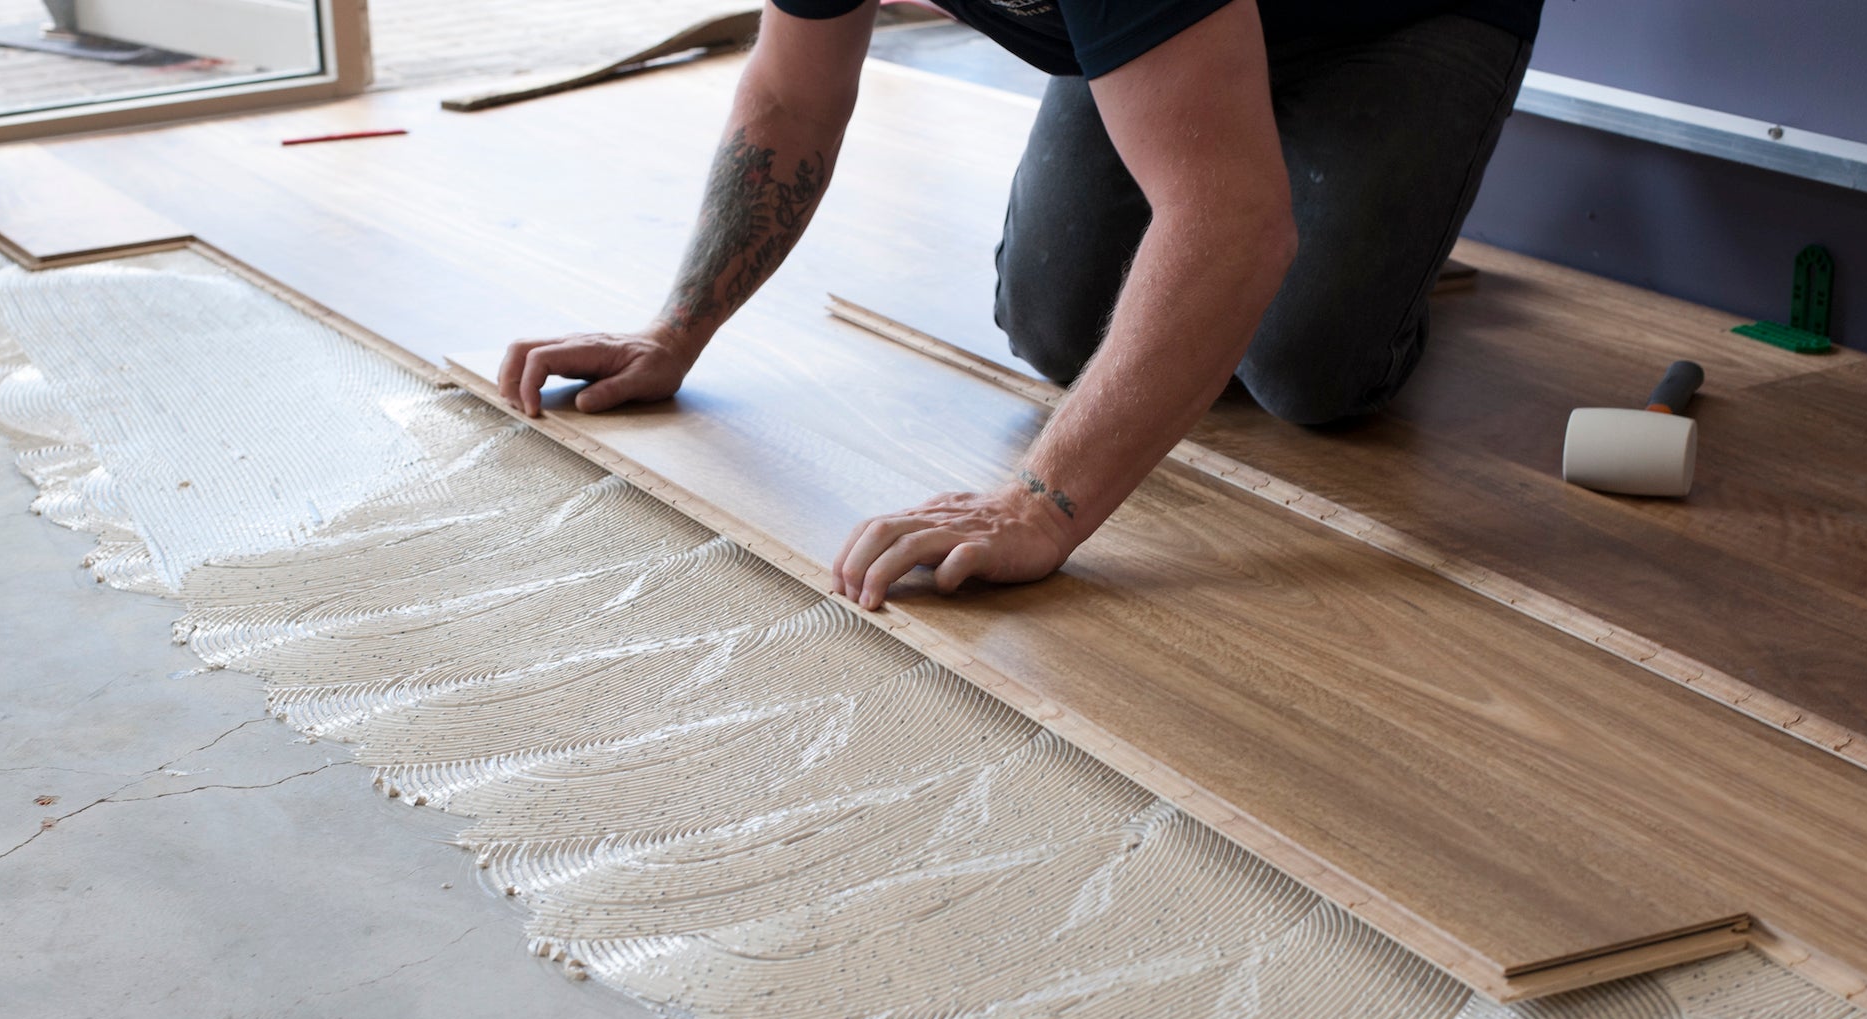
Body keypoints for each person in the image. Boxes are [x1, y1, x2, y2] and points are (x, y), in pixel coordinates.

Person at [498, 0, 1540, 610]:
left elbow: (1230, 222)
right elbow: (787, 96)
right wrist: (674, 329)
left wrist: (1039, 502)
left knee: (1304, 367)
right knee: (1053, 332)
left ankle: (1377, 251)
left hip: (1396, 17)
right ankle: (1242, 144)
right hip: (1173, 29)